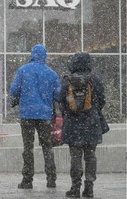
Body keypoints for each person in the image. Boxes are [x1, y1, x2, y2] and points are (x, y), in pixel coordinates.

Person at [9, 44, 61, 189]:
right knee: (47, 147)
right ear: (45, 56)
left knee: (28, 147)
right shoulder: (51, 73)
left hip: (27, 114)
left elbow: (13, 90)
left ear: (32, 54)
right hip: (44, 115)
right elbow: (58, 95)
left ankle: (27, 179)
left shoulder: (23, 70)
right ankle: (51, 179)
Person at [60, 52, 108, 198]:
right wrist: (92, 111)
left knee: (75, 157)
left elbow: (62, 101)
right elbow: (102, 100)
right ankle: (89, 187)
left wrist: (70, 113)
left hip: (73, 125)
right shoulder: (95, 80)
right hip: (91, 125)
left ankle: (75, 187)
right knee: (90, 156)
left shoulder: (67, 80)